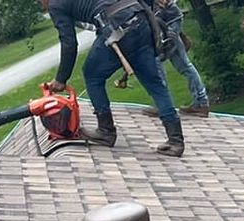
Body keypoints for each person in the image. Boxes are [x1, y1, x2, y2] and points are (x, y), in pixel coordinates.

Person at [41, 0, 186, 157]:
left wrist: (61, 79)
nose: (41, 5)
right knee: (155, 84)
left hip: (118, 29)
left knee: (92, 75)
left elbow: (69, 43)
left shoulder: (56, 5)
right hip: (141, 19)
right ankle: (176, 141)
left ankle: (106, 131)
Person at [116, 1, 208, 117]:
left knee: (157, 62)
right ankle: (201, 103)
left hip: (166, 21)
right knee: (184, 66)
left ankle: (164, 105)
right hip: (167, 20)